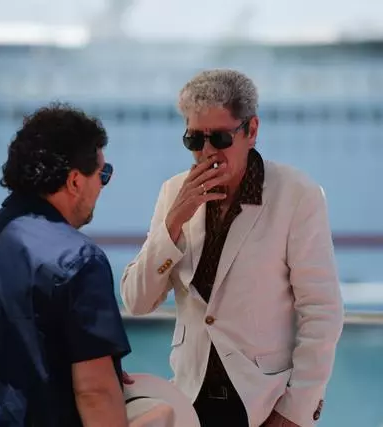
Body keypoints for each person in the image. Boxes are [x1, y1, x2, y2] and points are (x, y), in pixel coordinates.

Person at [120, 69, 345, 427]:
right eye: (195, 140)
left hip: (263, 402)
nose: (207, 152)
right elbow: (136, 301)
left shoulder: (297, 195)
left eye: (220, 138)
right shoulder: (173, 193)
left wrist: (296, 411)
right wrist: (173, 222)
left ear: (251, 131)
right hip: (190, 399)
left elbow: (322, 311)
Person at [0, 104, 132, 427]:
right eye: (103, 174)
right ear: (75, 181)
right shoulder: (80, 258)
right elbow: (95, 391)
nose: (103, 185)